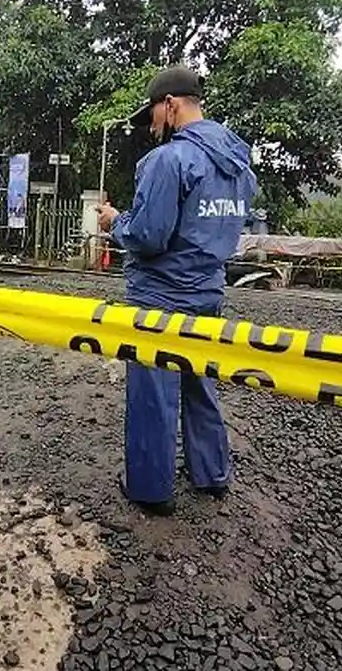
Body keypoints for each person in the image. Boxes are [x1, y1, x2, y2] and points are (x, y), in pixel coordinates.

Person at [96, 66, 258, 516]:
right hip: (208, 292)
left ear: (170, 105)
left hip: (160, 298)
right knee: (200, 382)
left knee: (154, 393)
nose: (151, 126)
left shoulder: (169, 160)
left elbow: (149, 236)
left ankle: (151, 489)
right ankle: (211, 474)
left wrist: (115, 222)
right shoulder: (238, 166)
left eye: (152, 114)